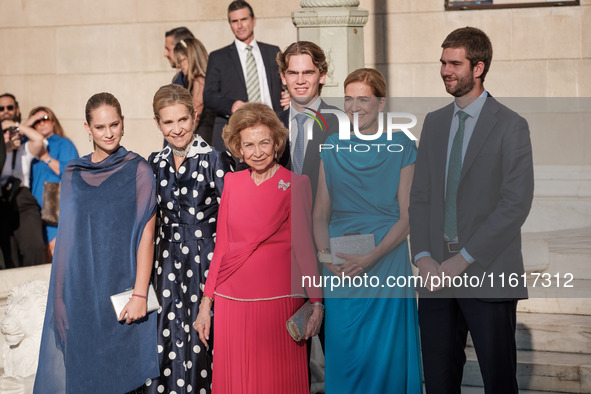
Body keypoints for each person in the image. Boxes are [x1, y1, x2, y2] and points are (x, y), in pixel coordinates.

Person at [409, 27, 534, 394]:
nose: (446, 70)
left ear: (478, 68)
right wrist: (424, 255)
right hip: (435, 279)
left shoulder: (511, 125)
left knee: (498, 382)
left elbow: (515, 204)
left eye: (455, 63)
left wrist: (462, 259)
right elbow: (420, 197)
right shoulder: (433, 122)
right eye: (443, 62)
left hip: (489, 274)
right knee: (438, 381)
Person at [34, 92, 159, 394]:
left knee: (125, 379)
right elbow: (66, 242)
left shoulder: (139, 170)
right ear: (87, 128)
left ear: (123, 123)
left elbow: (146, 236)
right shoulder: (72, 172)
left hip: (122, 295)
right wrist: (60, 301)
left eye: (114, 125)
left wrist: (140, 294)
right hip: (80, 299)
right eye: (100, 127)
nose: (108, 133)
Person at [193, 102, 323, 393]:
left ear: (277, 143)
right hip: (231, 304)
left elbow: (305, 249)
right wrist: (206, 304)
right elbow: (223, 248)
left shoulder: (296, 184)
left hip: (279, 303)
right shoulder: (232, 182)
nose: (257, 151)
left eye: (264, 142)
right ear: (238, 148)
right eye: (248, 145)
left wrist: (316, 303)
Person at [313, 68, 423, 393]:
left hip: (386, 265)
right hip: (339, 269)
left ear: (381, 103)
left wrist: (372, 257)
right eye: (349, 98)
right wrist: (325, 257)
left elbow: (408, 216)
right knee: (344, 355)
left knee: (386, 359)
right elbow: (319, 213)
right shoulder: (330, 146)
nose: (355, 106)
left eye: (364, 98)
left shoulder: (402, 145)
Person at [146, 84, 233, 394]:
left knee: (202, 342)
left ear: (195, 117)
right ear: (157, 123)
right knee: (165, 340)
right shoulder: (154, 163)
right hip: (165, 268)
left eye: (182, 120)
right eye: (168, 122)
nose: (176, 129)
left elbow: (231, 224)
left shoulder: (216, 160)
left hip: (206, 266)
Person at [203, 0, 284, 152]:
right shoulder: (218, 57)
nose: (240, 25)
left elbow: (284, 85)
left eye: (244, 19)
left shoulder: (273, 51)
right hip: (237, 131)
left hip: (272, 128)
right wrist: (231, 105)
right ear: (230, 24)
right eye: (235, 21)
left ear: (253, 21)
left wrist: (288, 96)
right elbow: (208, 96)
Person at [276, 41, 336, 200]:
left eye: (308, 72)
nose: (300, 80)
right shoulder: (271, 126)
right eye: (293, 73)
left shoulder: (340, 124)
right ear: (283, 77)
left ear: (322, 76)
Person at [0, 93, 46, 268]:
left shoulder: (25, 148)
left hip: (22, 197)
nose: (5, 111)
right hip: (2, 200)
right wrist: (5, 146)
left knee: (34, 246)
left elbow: (39, 139)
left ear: (17, 110)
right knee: (7, 253)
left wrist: (14, 125)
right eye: (1, 108)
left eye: (9, 108)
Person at [27, 106, 79, 258]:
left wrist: (45, 157)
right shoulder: (27, 146)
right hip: (32, 210)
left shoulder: (63, 143)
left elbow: (73, 174)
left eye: (45, 119)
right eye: (36, 121)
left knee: (54, 256)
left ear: (53, 122)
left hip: (55, 211)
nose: (41, 123)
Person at [173, 37, 215, 145]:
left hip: (203, 136)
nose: (179, 65)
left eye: (182, 60)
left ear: (192, 57)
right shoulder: (199, 79)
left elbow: (196, 111)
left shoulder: (199, 80)